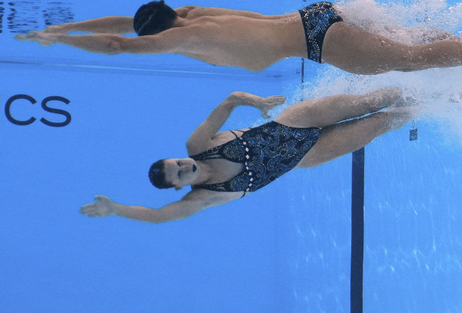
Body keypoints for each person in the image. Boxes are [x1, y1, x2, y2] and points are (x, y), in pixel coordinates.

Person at [80, 87, 413, 223]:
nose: (185, 166)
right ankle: (440, 102)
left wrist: (258, 103)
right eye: (180, 174)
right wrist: (115, 209)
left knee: (370, 102)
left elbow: (230, 99)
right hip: (307, 156)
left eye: (178, 162)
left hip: (297, 120)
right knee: (382, 122)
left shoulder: (198, 143)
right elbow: (158, 217)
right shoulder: (201, 199)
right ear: (180, 186)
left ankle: (420, 84)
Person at [16, 0, 462, 74]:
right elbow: (123, 28)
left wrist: (62, 43)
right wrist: (64, 24)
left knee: (405, 60)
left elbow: (117, 44)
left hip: (314, 44)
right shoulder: (191, 13)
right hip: (316, 13)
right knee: (408, 38)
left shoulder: (177, 40)